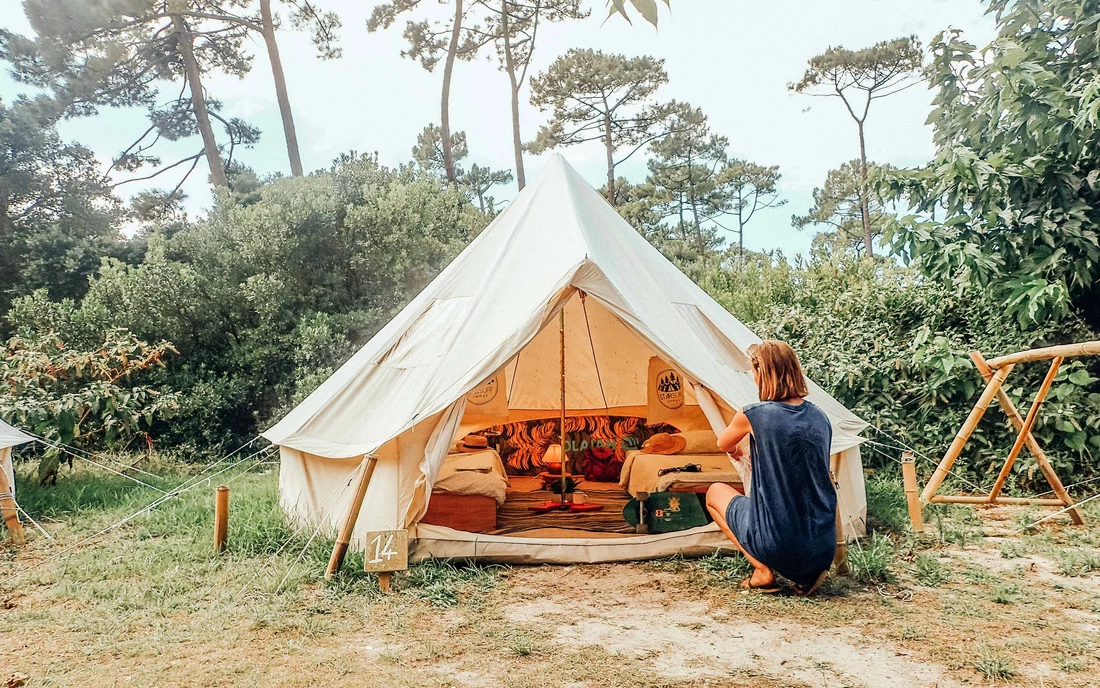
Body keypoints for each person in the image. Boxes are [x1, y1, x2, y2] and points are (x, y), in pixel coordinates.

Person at [705, 340, 836, 596]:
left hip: (777, 543)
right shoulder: (821, 417)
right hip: (823, 547)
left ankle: (762, 570)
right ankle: (805, 578)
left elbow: (723, 443)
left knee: (715, 493)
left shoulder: (753, 414)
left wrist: (735, 451)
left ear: (760, 373)